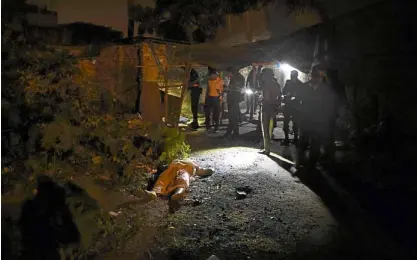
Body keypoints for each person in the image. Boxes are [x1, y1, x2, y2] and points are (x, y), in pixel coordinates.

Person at [296, 65, 337, 169]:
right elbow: (297, 101)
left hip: (319, 121)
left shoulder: (326, 89)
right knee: (303, 142)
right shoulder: (304, 87)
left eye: (320, 76)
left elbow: (330, 104)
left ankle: (311, 165)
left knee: (316, 144)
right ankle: (301, 162)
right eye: (317, 75)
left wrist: (328, 118)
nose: (318, 78)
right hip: (306, 119)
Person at [145, 160, 214, 201]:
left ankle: (178, 193)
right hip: (174, 167)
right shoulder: (193, 165)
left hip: (179, 170)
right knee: (166, 176)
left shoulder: (192, 171)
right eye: (203, 170)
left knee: (183, 177)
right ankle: (155, 192)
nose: (202, 170)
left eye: (204, 171)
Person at [259, 68, 281, 155]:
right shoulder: (276, 84)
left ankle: (266, 149)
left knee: (266, 128)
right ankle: (266, 147)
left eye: (263, 74)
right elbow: (278, 96)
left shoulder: (267, 84)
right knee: (269, 128)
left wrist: (261, 99)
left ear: (266, 75)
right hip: (272, 108)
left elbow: (266, 98)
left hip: (267, 108)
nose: (262, 76)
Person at [282, 70, 303, 145]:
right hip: (288, 105)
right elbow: (283, 91)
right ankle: (286, 138)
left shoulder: (300, 84)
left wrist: (295, 96)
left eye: (292, 75)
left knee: (295, 123)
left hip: (296, 106)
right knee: (286, 122)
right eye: (291, 75)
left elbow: (302, 95)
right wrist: (287, 94)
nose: (291, 76)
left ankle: (295, 138)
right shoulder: (288, 82)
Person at [224, 67, 245, 137]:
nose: (227, 75)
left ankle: (232, 132)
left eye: (228, 73)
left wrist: (228, 88)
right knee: (232, 116)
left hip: (234, 99)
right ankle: (233, 131)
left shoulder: (238, 78)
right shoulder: (234, 78)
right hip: (232, 99)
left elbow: (237, 88)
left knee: (233, 116)